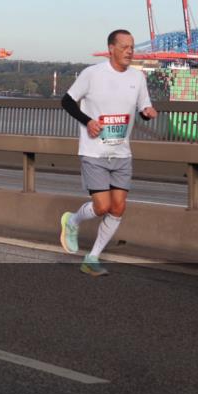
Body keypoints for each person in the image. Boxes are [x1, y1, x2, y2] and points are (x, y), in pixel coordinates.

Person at [58, 30, 157, 276]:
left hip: (122, 153)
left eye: (132, 47)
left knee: (118, 208)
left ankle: (92, 258)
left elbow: (143, 106)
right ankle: (72, 221)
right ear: (111, 48)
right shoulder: (92, 74)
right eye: (124, 46)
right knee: (102, 207)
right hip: (94, 152)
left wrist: (148, 112)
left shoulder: (138, 77)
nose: (130, 51)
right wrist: (88, 121)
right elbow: (67, 101)